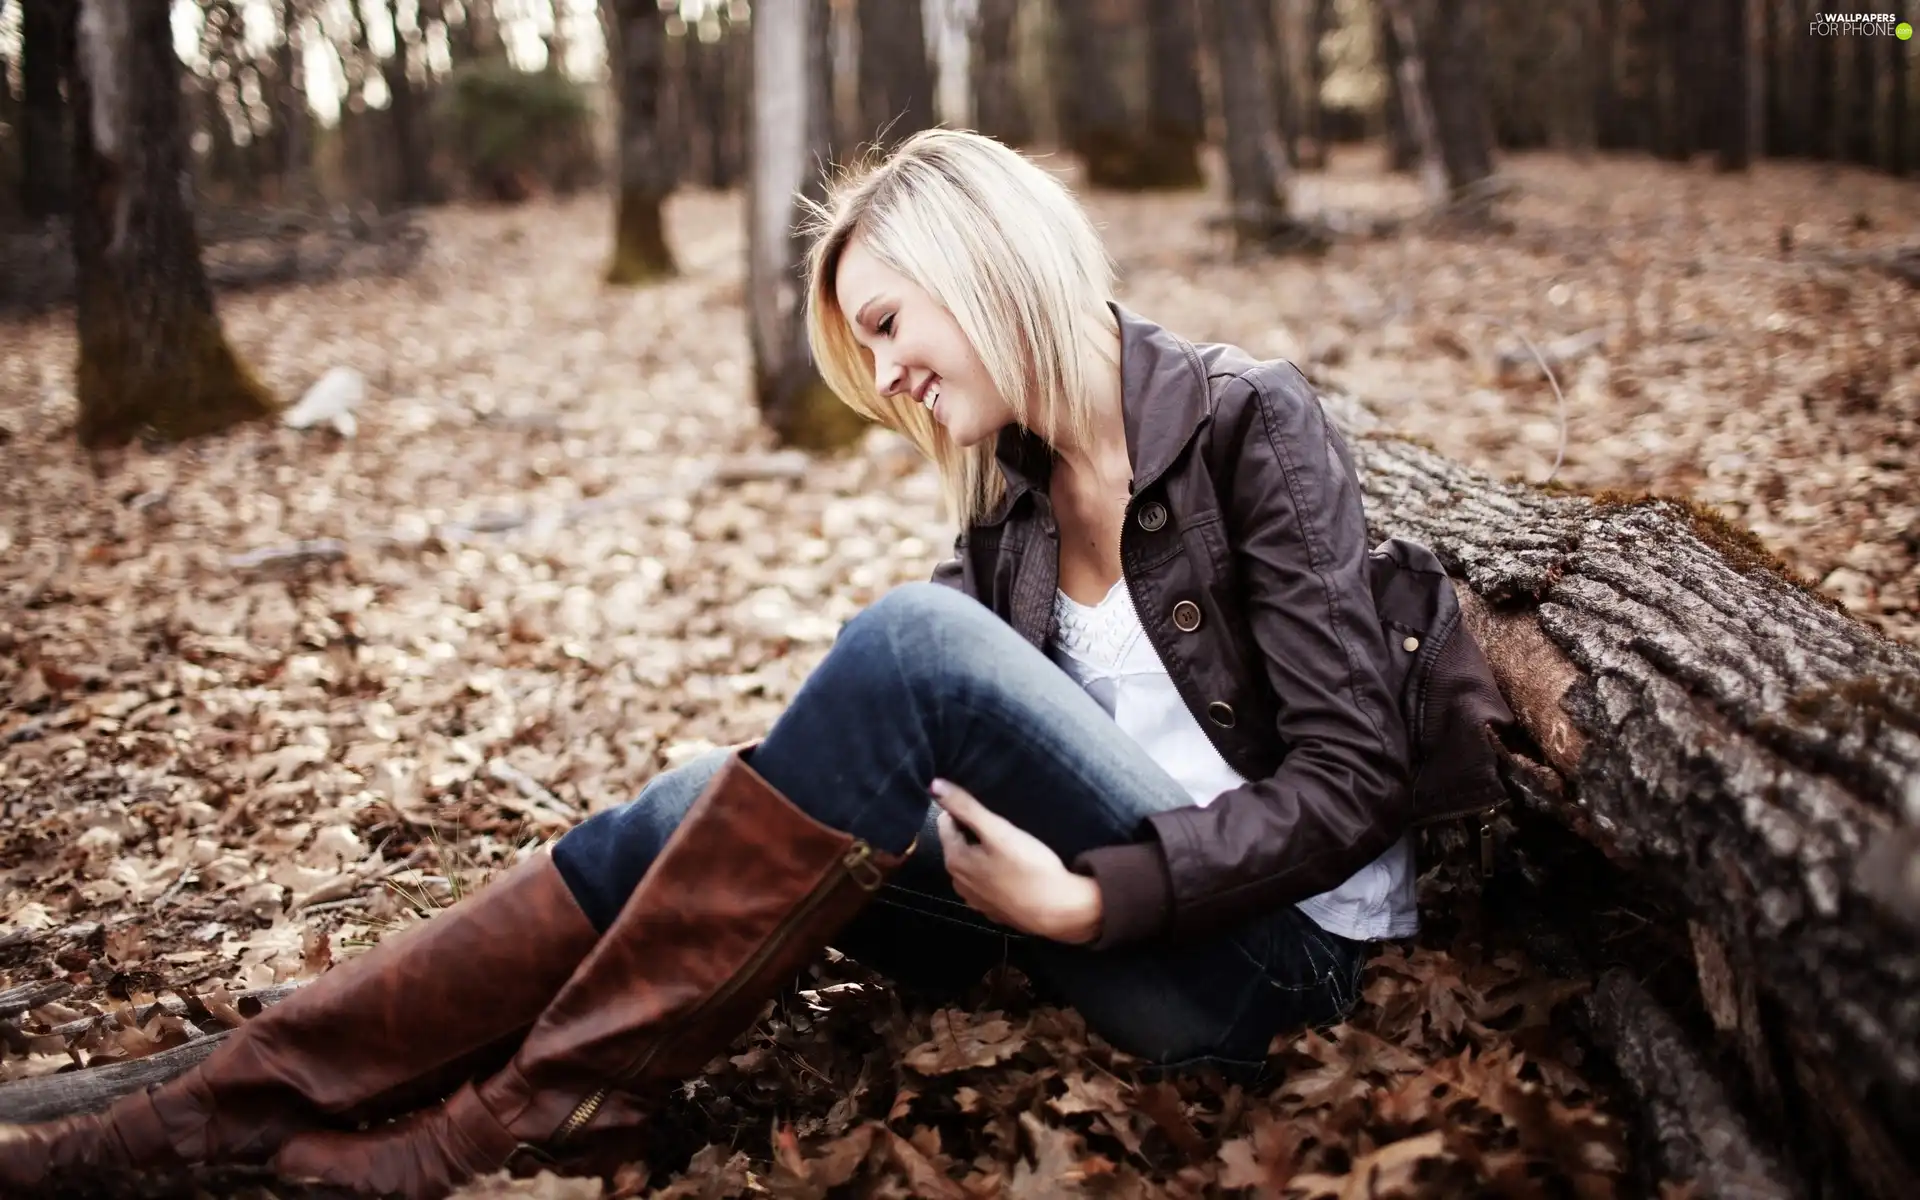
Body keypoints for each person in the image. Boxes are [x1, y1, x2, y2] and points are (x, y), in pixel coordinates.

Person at [0, 130, 1505, 1198]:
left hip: (1276, 977)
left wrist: (1094, 895)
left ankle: (511, 1127)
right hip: (1091, 930)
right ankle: (221, 1108)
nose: (890, 376)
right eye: (869, 351)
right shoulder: (1019, 498)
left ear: (986, 262)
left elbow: (1353, 775)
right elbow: (872, 749)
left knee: (909, 647)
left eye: (892, 326)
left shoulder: (1250, 423)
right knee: (700, 792)